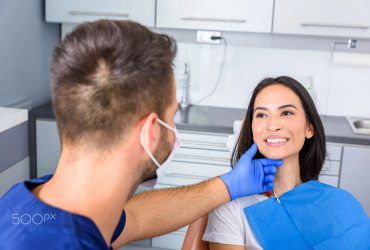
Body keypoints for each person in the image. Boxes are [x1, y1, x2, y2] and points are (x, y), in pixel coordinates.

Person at [0, 20, 283, 250]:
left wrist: (227, 186)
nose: (174, 131)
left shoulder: (34, 200)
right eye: (171, 116)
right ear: (150, 132)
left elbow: (134, 218)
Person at [187, 76, 369, 249]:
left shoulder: (341, 202)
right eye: (261, 115)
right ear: (252, 129)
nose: (273, 125)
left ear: (309, 128)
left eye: (286, 113)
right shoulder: (231, 206)